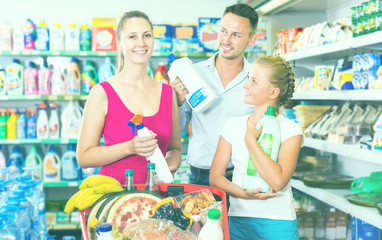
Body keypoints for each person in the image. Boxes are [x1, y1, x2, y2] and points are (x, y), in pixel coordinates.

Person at [77, 10, 181, 185]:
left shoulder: (168, 93)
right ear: (119, 43)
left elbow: (175, 148)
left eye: (147, 35)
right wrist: (129, 147)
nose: (141, 42)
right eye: (132, 37)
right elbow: (84, 157)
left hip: (156, 192)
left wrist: (170, 166)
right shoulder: (102, 92)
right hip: (114, 193)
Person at [210, 56, 303, 240]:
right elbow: (215, 177)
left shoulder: (290, 130)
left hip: (278, 223)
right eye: (248, 79)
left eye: (254, 81)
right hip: (238, 219)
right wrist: (241, 193)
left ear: (273, 92)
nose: (246, 85)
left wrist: (251, 140)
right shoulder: (233, 125)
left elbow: (277, 181)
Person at [171, 3, 259, 185]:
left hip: (240, 176)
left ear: (251, 40)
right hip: (199, 177)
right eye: (223, 31)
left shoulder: (257, 81)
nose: (226, 41)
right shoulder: (193, 73)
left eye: (236, 35)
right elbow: (179, 128)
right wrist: (177, 103)